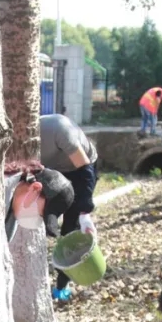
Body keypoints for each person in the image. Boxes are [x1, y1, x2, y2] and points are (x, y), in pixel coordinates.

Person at [39, 114, 99, 302]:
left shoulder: (59, 129)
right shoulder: (15, 140)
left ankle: (61, 286)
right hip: (52, 173)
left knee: (69, 228)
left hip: (81, 170)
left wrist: (84, 212)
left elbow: (85, 172)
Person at [3, 160, 75, 243]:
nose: (38, 220)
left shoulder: (14, 214)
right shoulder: (1, 188)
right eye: (41, 214)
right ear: (35, 188)